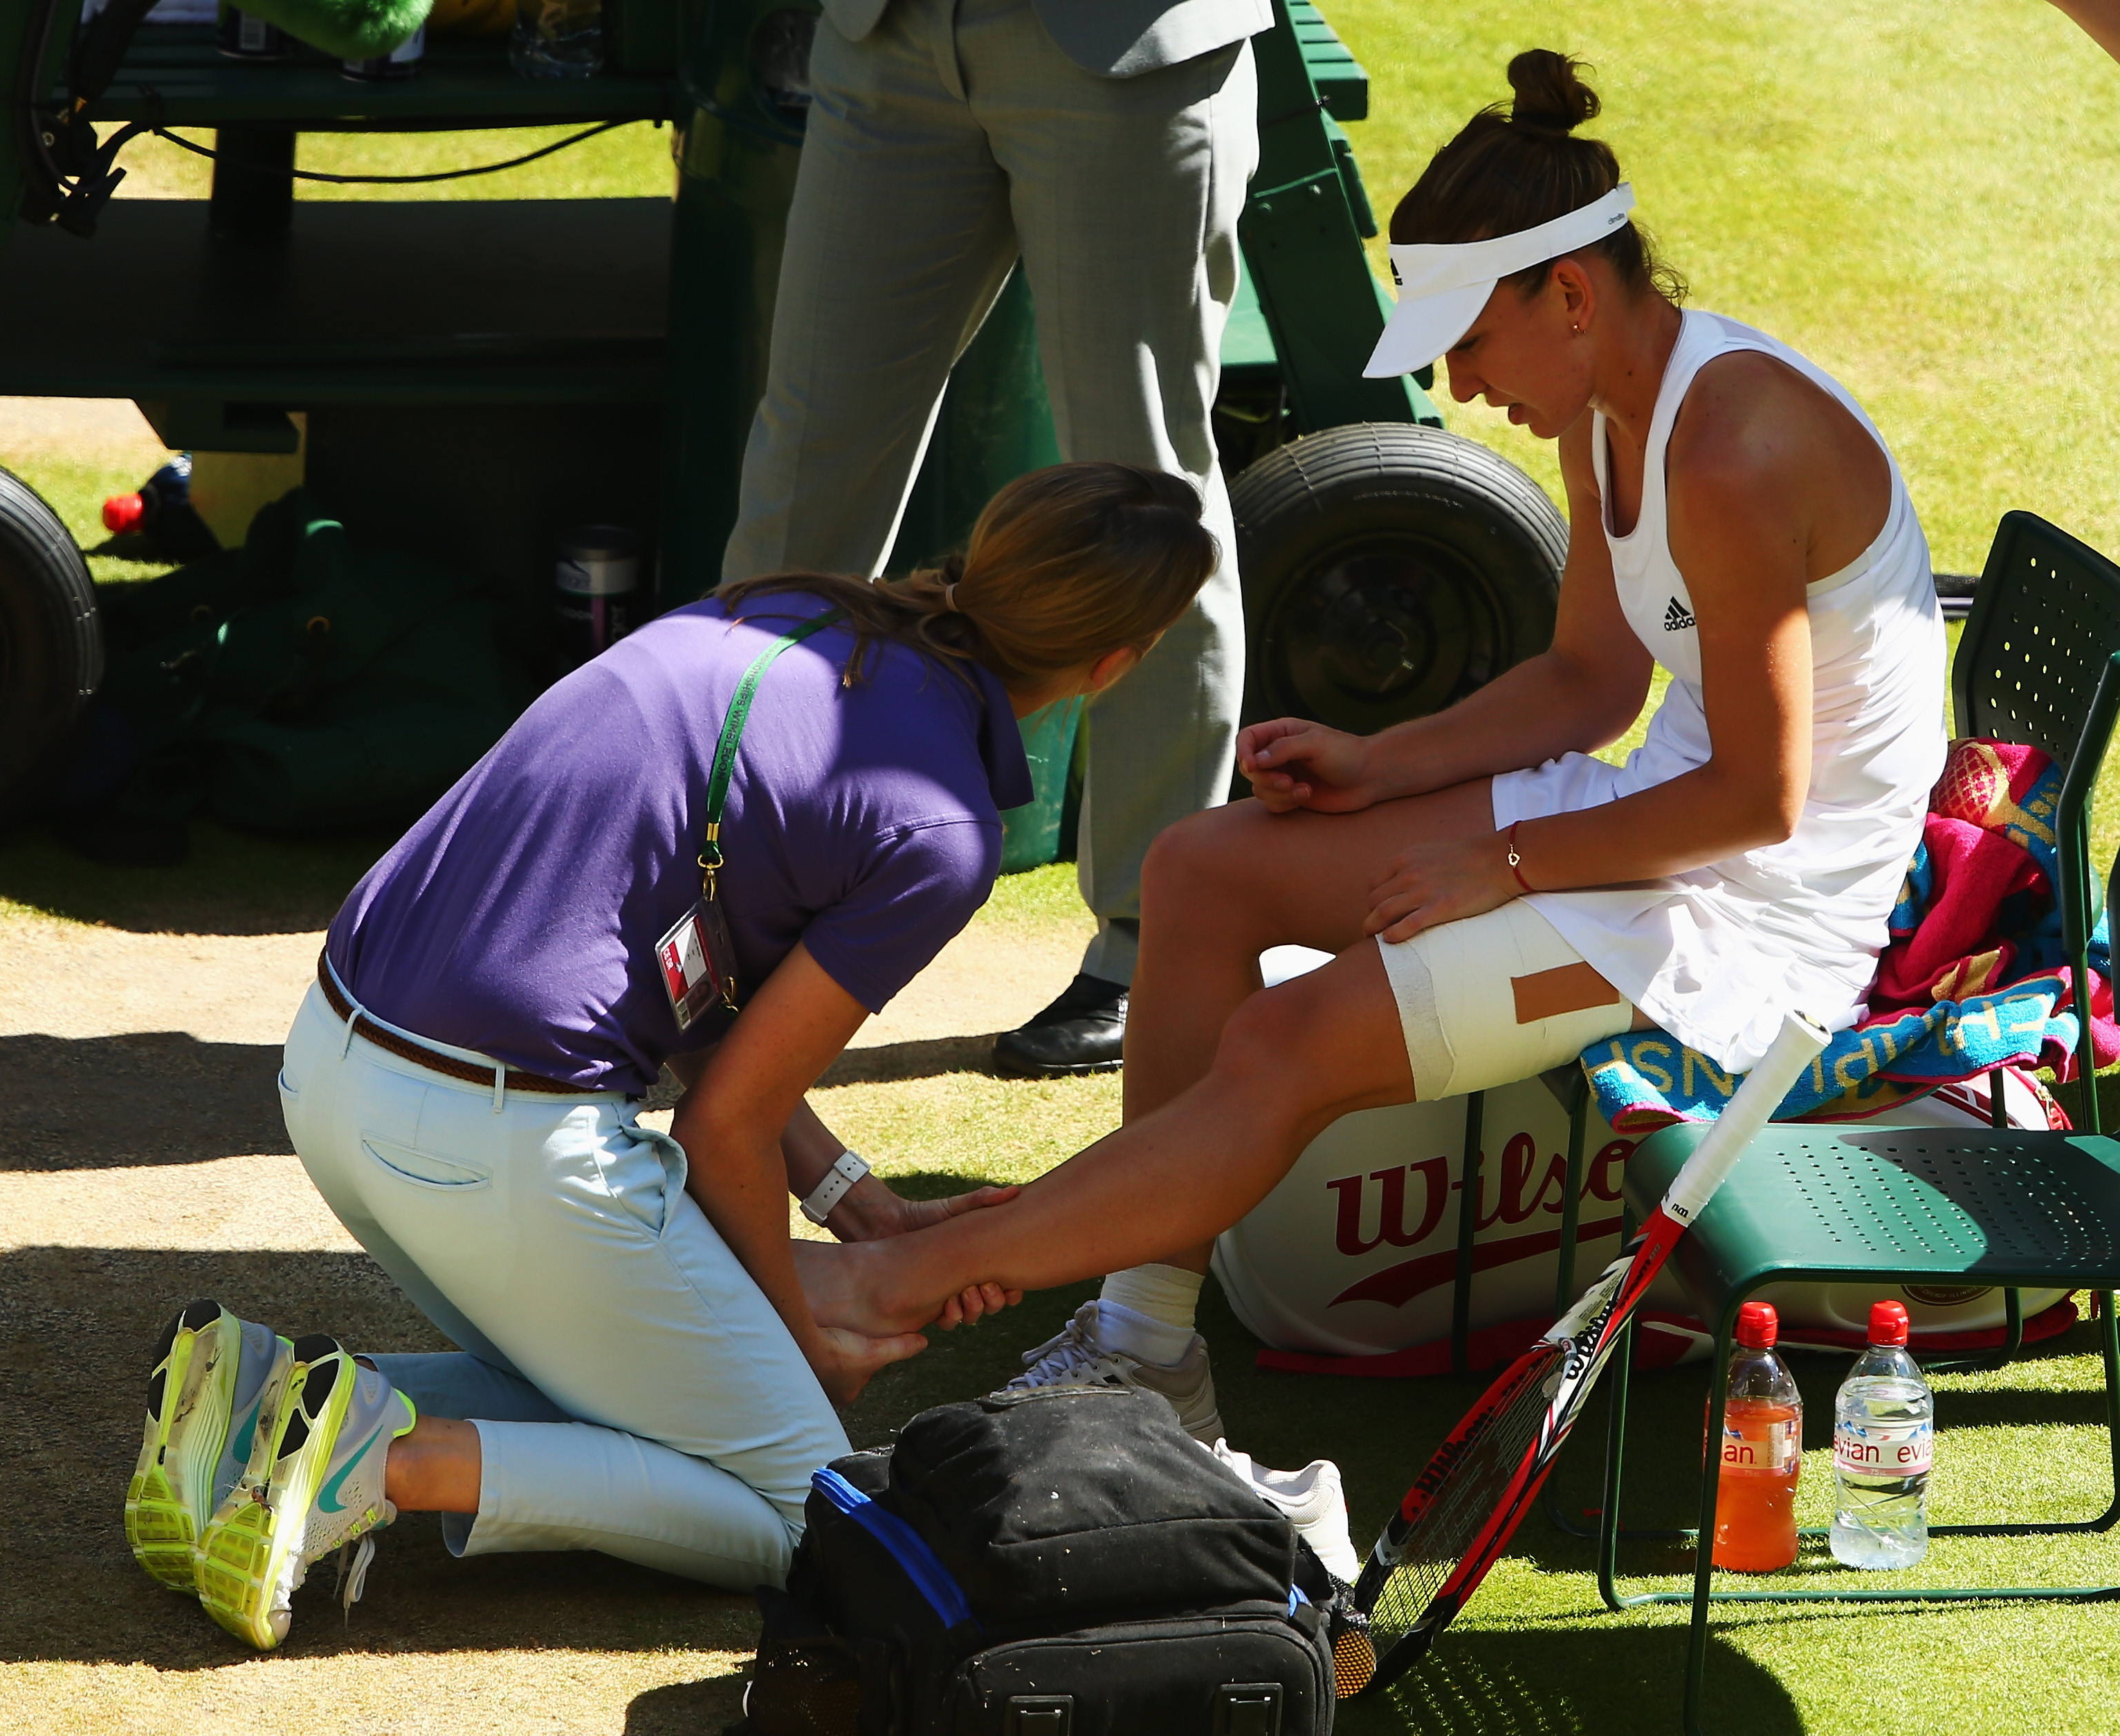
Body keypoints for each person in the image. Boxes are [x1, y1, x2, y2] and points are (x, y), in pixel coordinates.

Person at [795, 51, 1951, 1436]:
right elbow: (1589, 679)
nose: (1459, 382)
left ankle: (901, 1281)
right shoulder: (1613, 411)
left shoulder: (1732, 452)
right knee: (1202, 868)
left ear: (1568, 294)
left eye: (1469, 340)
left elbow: (1760, 802)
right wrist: (1383, 762)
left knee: (1286, 1041)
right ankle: (1145, 1341)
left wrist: (1503, 862)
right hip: (1660, 824)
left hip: (1760, 919)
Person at [120, 462, 1216, 1649]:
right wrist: (796, 1327)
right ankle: (375, 1461)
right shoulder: (939, 823)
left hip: (331, 1074)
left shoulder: (780, 605)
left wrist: (853, 1206)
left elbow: (700, 996)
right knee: (819, 1511)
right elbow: (724, 1124)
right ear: (1118, 661)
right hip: (490, 1139)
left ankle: (246, 1402)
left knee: (616, 1383)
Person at [724, 0, 1271, 1078]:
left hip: (1122, 43)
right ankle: (719, 884)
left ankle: (1147, 947)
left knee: (1150, 503)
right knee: (804, 468)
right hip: (888, 36)